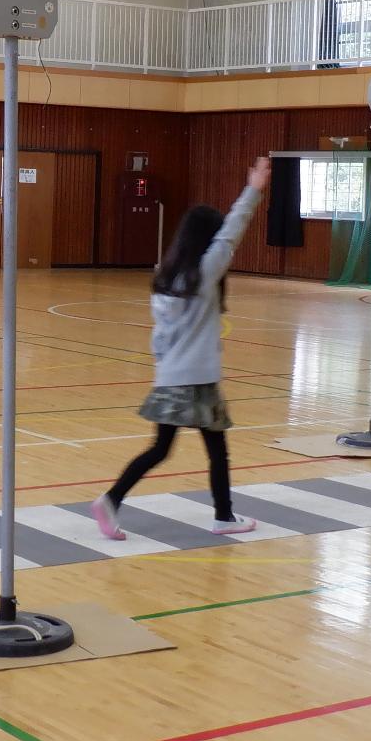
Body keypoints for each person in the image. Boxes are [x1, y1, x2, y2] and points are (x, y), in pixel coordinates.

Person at [91, 157, 269, 539]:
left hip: (170, 377)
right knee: (217, 449)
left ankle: (111, 499)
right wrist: (254, 189)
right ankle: (223, 516)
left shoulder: (165, 279)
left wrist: (164, 368)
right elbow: (232, 233)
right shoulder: (204, 276)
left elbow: (159, 339)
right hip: (200, 379)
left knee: (161, 449)